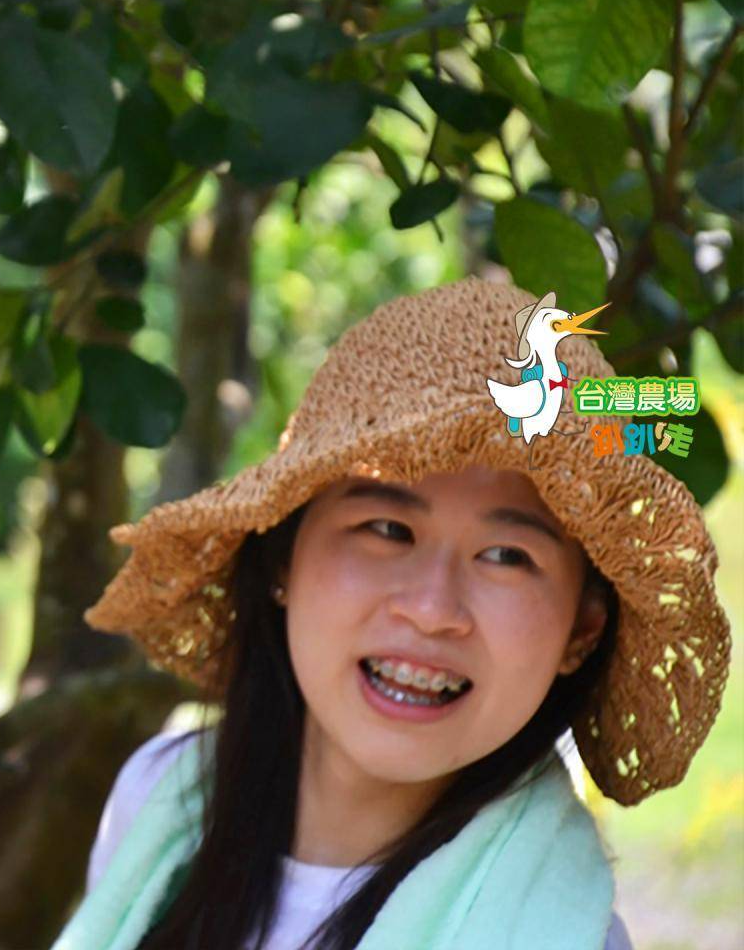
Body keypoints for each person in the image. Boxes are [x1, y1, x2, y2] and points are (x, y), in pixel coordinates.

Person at [55, 278, 730, 950]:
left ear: (581, 630)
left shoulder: (565, 935)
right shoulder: (158, 803)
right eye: (386, 529)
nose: (434, 609)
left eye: (506, 555)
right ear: (284, 558)